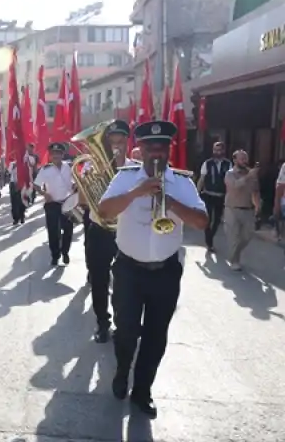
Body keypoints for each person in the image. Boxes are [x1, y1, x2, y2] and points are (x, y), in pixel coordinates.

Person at [98, 120, 208, 418]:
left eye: (162, 147)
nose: (156, 152)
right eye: (150, 147)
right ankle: (122, 370)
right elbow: (103, 210)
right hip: (128, 270)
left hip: (165, 272)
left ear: (169, 150)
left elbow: (201, 222)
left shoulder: (182, 182)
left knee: (156, 336)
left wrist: (168, 200)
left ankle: (142, 391)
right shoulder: (125, 178)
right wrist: (136, 192)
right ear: (141, 149)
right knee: (126, 331)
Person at [82, 120, 134, 343]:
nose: (117, 143)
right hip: (99, 230)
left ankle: (124, 322)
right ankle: (103, 322)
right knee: (99, 280)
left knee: (126, 280)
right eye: (112, 139)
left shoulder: (135, 169)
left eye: (121, 139)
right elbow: (82, 201)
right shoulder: (91, 167)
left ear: (126, 141)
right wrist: (90, 182)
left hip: (125, 230)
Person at [33, 143, 75, 266]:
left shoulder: (69, 167)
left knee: (68, 229)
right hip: (52, 204)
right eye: (53, 154)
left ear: (63, 154)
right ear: (50, 156)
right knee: (53, 231)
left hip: (67, 202)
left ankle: (65, 252)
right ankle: (55, 255)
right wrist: (44, 193)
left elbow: (75, 181)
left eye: (58, 153)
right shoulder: (45, 169)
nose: (56, 156)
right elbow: (36, 185)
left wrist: (75, 186)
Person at [223, 150, 260, 270]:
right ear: (235, 160)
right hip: (232, 209)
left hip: (248, 209)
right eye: (242, 158)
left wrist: (258, 205)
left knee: (248, 235)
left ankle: (235, 253)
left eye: (246, 158)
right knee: (233, 236)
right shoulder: (230, 174)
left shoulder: (251, 174)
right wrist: (248, 176)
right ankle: (234, 261)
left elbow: (255, 190)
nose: (245, 161)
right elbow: (234, 186)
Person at [197, 140, 231, 252]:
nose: (217, 152)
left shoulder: (228, 164)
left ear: (223, 151)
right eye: (215, 150)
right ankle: (209, 241)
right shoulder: (207, 163)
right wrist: (196, 194)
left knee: (217, 220)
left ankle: (210, 237)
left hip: (221, 196)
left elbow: (229, 181)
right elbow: (201, 179)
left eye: (219, 150)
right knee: (208, 219)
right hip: (208, 195)